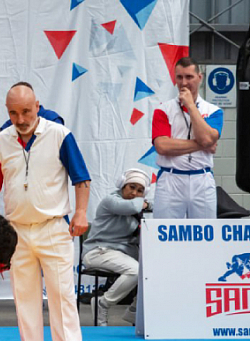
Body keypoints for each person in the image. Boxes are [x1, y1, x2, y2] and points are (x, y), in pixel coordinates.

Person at [0, 82, 90, 341]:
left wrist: (80, 213)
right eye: (14, 113)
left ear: (37, 106)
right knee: (23, 297)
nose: (21, 118)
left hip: (54, 227)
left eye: (26, 111)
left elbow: (81, 179)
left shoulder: (59, 135)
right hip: (17, 233)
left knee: (62, 297)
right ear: (7, 112)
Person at [152, 57, 223, 219]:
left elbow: (206, 140)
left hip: (201, 178)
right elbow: (163, 146)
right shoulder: (163, 110)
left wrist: (191, 106)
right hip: (171, 178)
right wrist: (202, 144)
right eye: (179, 77)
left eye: (189, 77)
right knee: (166, 233)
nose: (184, 83)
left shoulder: (213, 111)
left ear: (200, 77)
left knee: (205, 233)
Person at [83, 168, 150, 326]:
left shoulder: (137, 211)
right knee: (135, 270)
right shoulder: (111, 201)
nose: (134, 193)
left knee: (151, 271)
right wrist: (145, 203)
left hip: (117, 254)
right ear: (122, 186)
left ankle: (134, 311)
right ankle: (103, 303)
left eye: (140, 190)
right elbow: (133, 207)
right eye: (131, 187)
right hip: (97, 252)